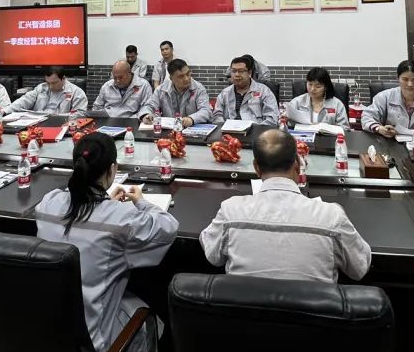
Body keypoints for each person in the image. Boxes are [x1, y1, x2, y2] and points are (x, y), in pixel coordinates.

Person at [35, 132, 178, 352]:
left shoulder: (48, 202)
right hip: (94, 348)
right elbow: (168, 228)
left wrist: (104, 202)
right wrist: (141, 202)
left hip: (48, 334)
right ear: (112, 170)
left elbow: (81, 215)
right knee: (153, 315)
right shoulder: (120, 219)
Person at [200, 129, 370, 282]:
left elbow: (213, 256)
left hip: (246, 307)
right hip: (312, 307)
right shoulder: (332, 217)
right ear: (297, 164)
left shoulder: (231, 211)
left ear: (256, 168)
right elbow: (359, 267)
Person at [141, 58, 210, 128]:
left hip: (192, 129)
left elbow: (206, 111)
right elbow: (149, 106)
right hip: (169, 130)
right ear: (171, 79)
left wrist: (191, 119)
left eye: (188, 74)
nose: (186, 79)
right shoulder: (161, 90)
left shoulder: (198, 88)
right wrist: (146, 115)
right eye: (181, 76)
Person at [212, 56, 278, 125]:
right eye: (234, 71)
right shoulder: (225, 93)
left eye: (241, 71)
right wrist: (223, 127)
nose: (237, 74)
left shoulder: (264, 91)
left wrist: (258, 129)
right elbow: (217, 115)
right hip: (229, 130)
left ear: (249, 73)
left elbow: (272, 118)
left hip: (256, 129)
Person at [8, 66, 88, 115]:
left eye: (54, 83)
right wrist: (5, 111)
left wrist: (59, 118)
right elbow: (25, 100)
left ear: (63, 78)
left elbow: (80, 114)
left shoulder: (77, 92)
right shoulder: (41, 87)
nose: (50, 86)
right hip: (38, 123)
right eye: (48, 83)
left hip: (62, 125)